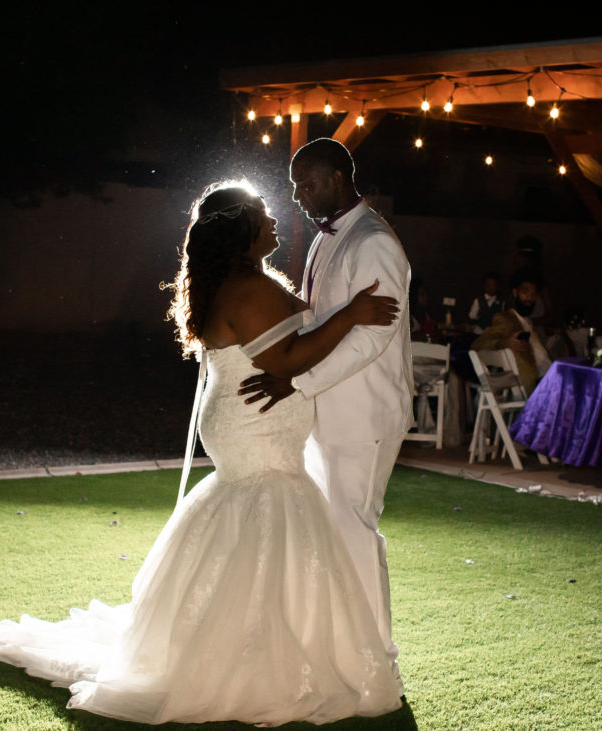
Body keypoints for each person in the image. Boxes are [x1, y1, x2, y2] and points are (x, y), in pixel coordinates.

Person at [0, 182, 404, 726]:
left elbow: (282, 350)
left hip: (250, 425)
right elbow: (288, 360)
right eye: (265, 216)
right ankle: (251, 660)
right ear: (241, 230)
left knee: (250, 522)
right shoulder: (247, 290)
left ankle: (256, 643)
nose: (275, 222)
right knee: (264, 519)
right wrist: (352, 314)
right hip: (255, 430)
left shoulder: (244, 282)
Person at [238, 138, 412, 696]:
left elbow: (373, 336)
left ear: (338, 177)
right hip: (326, 411)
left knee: (354, 531)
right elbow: (319, 320)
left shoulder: (376, 241)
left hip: (363, 412)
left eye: (305, 182)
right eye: (293, 185)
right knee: (332, 533)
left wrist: (297, 380)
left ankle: (375, 662)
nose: (297, 195)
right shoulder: (323, 239)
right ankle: (338, 650)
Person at [471, 268, 551, 395]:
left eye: (533, 294)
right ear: (515, 293)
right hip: (536, 387)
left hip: (549, 381)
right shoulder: (506, 319)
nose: (529, 298)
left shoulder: (528, 323)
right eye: (525, 293)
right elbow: (477, 344)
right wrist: (504, 342)